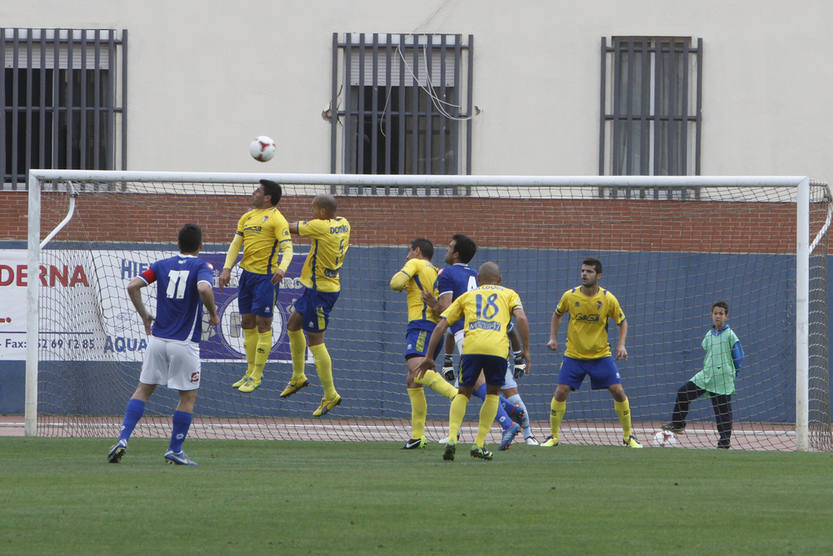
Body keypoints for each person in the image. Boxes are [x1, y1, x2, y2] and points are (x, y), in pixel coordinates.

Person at [107, 224, 220, 465]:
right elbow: (203, 287)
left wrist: (144, 314)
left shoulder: (162, 265)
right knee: (187, 397)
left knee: (143, 390)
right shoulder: (201, 266)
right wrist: (213, 312)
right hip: (184, 343)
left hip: (157, 341)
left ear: (177, 244)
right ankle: (175, 449)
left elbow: (132, 286)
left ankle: (123, 438)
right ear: (201, 246)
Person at [417, 261, 531, 461]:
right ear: (500, 279)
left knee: (463, 393)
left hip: (471, 348)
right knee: (493, 395)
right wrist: (525, 351)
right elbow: (520, 319)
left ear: (479, 280)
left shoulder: (466, 297)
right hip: (497, 349)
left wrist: (428, 357)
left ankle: (452, 438)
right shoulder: (509, 294)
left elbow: (441, 327)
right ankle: (478, 444)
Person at [544, 257, 642, 448]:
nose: (584, 274)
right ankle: (553, 437)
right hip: (574, 355)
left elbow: (622, 322)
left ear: (599, 276)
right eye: (582, 271)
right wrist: (553, 338)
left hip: (600, 356)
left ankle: (628, 436)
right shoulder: (570, 296)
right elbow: (557, 315)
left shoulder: (608, 298)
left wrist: (621, 345)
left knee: (618, 390)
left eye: (589, 271)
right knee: (561, 391)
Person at [279, 194, 350, 418]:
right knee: (292, 325)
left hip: (322, 292)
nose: (311, 212)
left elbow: (288, 227)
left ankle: (331, 394)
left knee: (316, 341)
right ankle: (298, 376)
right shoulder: (344, 223)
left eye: (313, 208)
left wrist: (268, 217)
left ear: (321, 212)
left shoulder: (319, 226)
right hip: (316, 288)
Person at [219, 179, 293, 393]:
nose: (254, 192)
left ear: (268, 197)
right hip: (247, 276)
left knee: (263, 324)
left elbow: (288, 248)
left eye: (258, 190)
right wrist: (226, 268)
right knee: (246, 322)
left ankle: (257, 375)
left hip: (266, 279)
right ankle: (249, 371)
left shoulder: (278, 220)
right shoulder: (247, 217)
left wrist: (282, 268)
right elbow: (235, 244)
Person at [389, 238, 459, 449]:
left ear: (417, 251)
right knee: (413, 380)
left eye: (409, 251)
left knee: (416, 369)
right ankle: (418, 436)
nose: (407, 256)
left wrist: (403, 282)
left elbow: (395, 283)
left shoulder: (415, 264)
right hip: (435, 330)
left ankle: (456, 395)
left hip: (420, 325)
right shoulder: (437, 270)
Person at [662, 301, 744, 449]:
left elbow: (739, 357)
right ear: (711, 315)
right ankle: (678, 424)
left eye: (721, 313)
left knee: (722, 412)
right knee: (683, 393)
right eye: (715, 313)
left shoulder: (731, 335)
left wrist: (733, 374)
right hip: (706, 375)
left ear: (726, 316)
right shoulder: (709, 335)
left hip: (723, 378)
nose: (718, 316)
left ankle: (724, 442)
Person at [503, 323, 539, 445]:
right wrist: (448, 360)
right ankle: (454, 434)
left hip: (499, 364)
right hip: (475, 364)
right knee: (459, 394)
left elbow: (512, 333)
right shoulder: (469, 311)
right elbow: (450, 333)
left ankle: (528, 435)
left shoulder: (500, 311)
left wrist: (518, 358)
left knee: (514, 399)